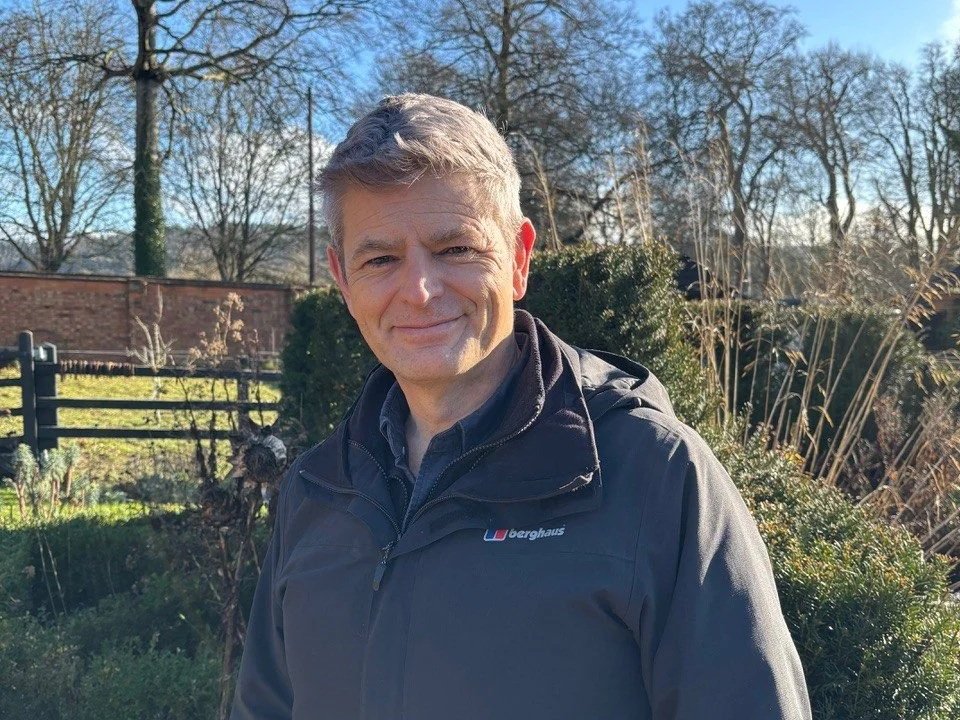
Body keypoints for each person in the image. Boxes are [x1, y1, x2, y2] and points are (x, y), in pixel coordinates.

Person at [231, 93, 812, 720]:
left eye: (456, 248)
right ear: (343, 279)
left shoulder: (654, 477)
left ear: (518, 257)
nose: (421, 291)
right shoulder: (316, 491)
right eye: (381, 259)